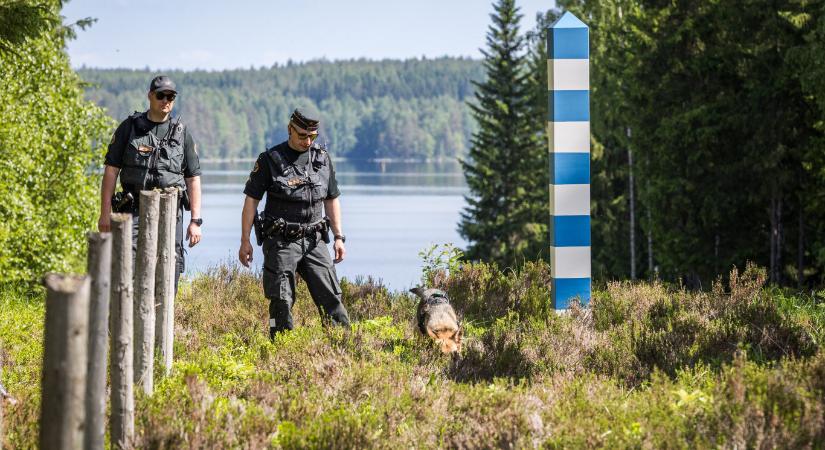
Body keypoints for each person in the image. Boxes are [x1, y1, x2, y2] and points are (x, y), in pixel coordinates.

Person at [239, 108, 350, 338]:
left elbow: (332, 199)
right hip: (281, 241)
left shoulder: (322, 159)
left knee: (331, 297)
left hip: (314, 240)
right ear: (290, 129)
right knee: (281, 300)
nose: (307, 141)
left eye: (312, 136)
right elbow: (251, 201)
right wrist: (245, 241)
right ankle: (280, 351)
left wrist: (339, 237)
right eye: (301, 135)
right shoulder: (270, 160)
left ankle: (344, 347)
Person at [98, 75, 202, 289]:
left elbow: (193, 179)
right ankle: (127, 318)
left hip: (170, 212)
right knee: (128, 263)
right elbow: (110, 172)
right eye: (161, 95)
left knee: (170, 264)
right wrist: (105, 213)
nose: (166, 101)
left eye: (171, 96)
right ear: (150, 96)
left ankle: (163, 319)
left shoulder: (181, 134)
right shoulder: (130, 128)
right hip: (133, 209)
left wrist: (195, 221)